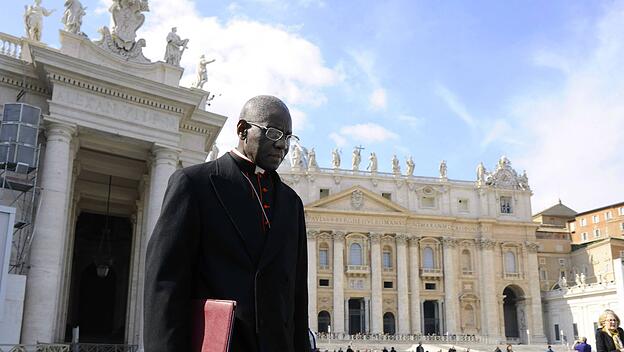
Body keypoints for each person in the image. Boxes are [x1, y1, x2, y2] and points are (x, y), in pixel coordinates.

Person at [144, 95, 310, 352]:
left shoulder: (292, 203)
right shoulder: (195, 184)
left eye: (288, 138)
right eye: (274, 133)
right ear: (242, 130)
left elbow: (297, 296)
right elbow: (166, 284)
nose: (282, 146)